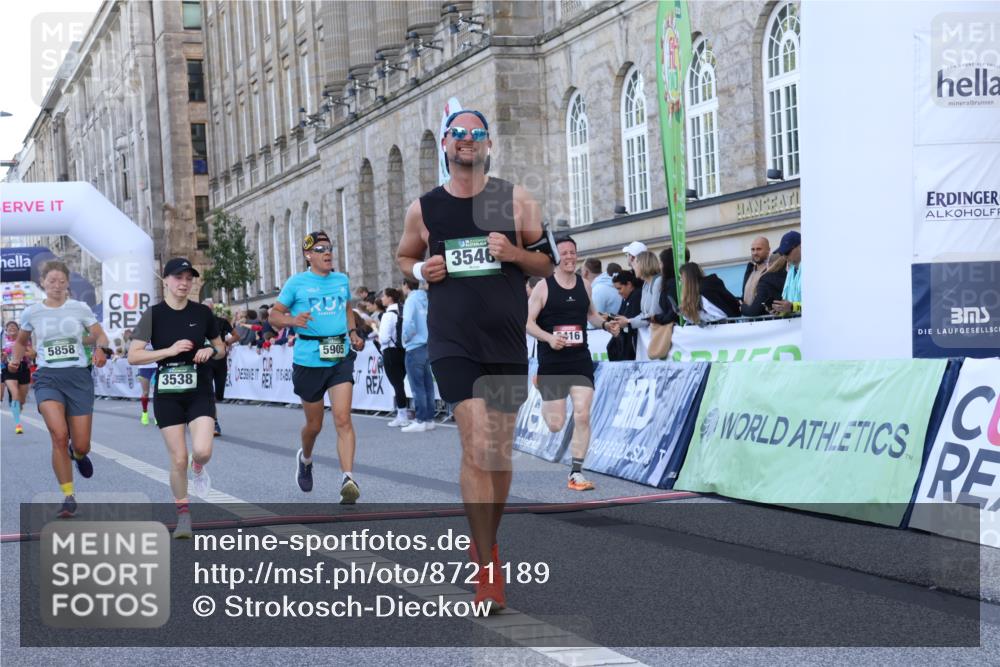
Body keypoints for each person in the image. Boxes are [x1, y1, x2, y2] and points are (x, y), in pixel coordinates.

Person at [396, 108, 553, 612]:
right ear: (446, 144)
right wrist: (422, 267)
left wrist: (514, 253)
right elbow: (403, 258)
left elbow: (546, 260)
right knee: (476, 444)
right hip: (452, 342)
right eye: (459, 134)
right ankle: (488, 567)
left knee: (499, 456)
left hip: (505, 343)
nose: (467, 141)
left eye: (476, 134)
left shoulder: (516, 198)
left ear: (488, 145)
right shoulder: (425, 209)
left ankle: (486, 540)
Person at [128, 258, 226, 539]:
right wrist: (167, 351)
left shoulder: (203, 313)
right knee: (178, 459)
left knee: (203, 451)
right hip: (168, 393)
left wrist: (210, 350)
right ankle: (183, 515)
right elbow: (134, 355)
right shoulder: (153, 315)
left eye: (188, 278)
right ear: (166, 281)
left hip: (199, 389)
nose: (184, 283)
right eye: (178, 277)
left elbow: (220, 349)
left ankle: (200, 467)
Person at [269, 231, 366, 503]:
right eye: (321, 249)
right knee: (314, 425)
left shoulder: (341, 280)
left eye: (330, 248)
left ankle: (348, 478)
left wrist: (353, 333)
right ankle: (306, 458)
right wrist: (291, 321)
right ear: (308, 255)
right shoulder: (296, 283)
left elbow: (346, 308)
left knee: (343, 419)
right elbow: (274, 315)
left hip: (339, 356)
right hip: (309, 358)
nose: (327, 253)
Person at [10, 261, 110, 518]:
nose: (56, 286)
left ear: (68, 283)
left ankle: (77, 454)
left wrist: (100, 349)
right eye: (51, 281)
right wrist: (14, 359)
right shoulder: (32, 312)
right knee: (57, 433)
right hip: (47, 378)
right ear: (42, 283)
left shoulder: (80, 308)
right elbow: (21, 341)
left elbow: (100, 335)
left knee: (82, 444)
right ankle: (68, 496)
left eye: (61, 281)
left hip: (77, 378)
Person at [526, 236, 617, 491]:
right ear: (556, 257)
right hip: (552, 362)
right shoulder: (544, 288)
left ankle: (576, 473)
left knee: (583, 414)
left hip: (579, 360)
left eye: (572, 252)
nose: (569, 257)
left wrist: (606, 325)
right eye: (564, 253)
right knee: (555, 425)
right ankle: (541, 387)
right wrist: (549, 338)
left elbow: (592, 315)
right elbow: (528, 323)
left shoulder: (585, 285)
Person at [401, 279, 436, 433]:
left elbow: (408, 322)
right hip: (428, 344)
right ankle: (429, 419)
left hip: (414, 345)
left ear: (406, 286)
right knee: (428, 385)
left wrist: (405, 338)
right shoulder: (428, 298)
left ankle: (420, 419)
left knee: (417, 386)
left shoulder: (411, 300)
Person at [379, 287, 410, 428]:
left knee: (397, 384)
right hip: (403, 350)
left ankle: (402, 415)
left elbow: (383, 338)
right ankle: (404, 413)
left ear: (390, 298)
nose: (381, 299)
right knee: (401, 383)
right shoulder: (403, 311)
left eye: (383, 296)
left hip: (390, 351)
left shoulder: (387, 315)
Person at [202, 298, 234, 436]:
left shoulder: (221, 322)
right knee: (208, 392)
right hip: (204, 361)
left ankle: (205, 414)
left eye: (207, 309)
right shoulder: (197, 322)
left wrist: (227, 343)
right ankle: (213, 422)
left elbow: (236, 335)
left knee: (219, 393)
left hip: (220, 359)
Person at [614, 250, 662, 335]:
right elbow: (644, 313)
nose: (633, 267)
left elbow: (654, 315)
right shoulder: (646, 284)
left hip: (659, 333)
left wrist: (629, 321)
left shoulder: (658, 282)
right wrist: (628, 321)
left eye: (635, 263)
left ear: (643, 264)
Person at [678, 262, 742, 324]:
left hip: (725, 328)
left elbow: (720, 315)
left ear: (688, 279)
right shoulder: (703, 288)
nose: (681, 280)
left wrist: (694, 316)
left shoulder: (704, 291)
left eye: (682, 277)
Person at [2, 321, 35, 435]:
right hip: (9, 369)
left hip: (23, 369)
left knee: (22, 400)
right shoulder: (3, 341)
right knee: (15, 393)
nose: (11, 328)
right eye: (9, 327)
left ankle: (16, 407)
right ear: (6, 330)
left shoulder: (25, 341)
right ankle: (18, 424)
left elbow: (32, 355)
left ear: (18, 329)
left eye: (14, 326)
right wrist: (3, 356)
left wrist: (20, 353)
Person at [607, 270, 643, 361]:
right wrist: (608, 318)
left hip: (636, 344)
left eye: (620, 288)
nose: (618, 292)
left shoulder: (637, 295)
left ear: (629, 284)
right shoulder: (626, 298)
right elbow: (621, 316)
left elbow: (629, 319)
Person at [741, 252, 789, 317]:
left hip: (772, 323)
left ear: (768, 264)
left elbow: (753, 311)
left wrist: (742, 306)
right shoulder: (790, 277)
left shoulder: (766, 280)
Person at [771, 231, 802, 315]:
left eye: (787, 251)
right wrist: (780, 310)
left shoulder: (814, 269)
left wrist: (792, 307)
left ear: (800, 246)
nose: (784, 256)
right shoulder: (791, 271)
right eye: (782, 253)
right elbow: (789, 305)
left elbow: (816, 305)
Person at [741, 236, 772, 306]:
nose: (755, 252)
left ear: (768, 250)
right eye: (753, 249)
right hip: (747, 315)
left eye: (759, 249)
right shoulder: (750, 271)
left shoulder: (771, 271)